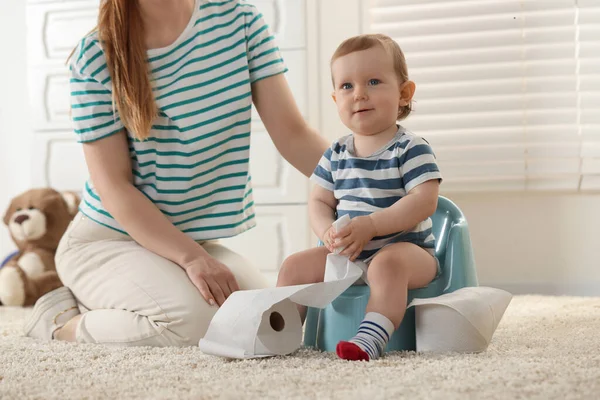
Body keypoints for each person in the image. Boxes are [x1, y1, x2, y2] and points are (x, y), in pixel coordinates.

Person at [23, 0, 327, 347]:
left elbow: (293, 134)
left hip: (178, 240)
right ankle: (61, 322)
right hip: (106, 242)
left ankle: (126, 297)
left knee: (265, 320)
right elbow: (114, 187)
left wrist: (363, 181)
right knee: (193, 324)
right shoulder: (96, 56)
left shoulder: (239, 21)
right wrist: (193, 258)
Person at [276, 33, 443, 361]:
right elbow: (319, 202)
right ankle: (279, 334)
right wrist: (326, 231)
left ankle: (371, 337)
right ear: (335, 98)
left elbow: (425, 200)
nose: (360, 94)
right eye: (347, 86)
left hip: (409, 254)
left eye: (374, 81)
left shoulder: (411, 148)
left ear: (404, 94)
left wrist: (372, 225)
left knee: (387, 264)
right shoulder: (336, 153)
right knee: (294, 266)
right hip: (351, 255)